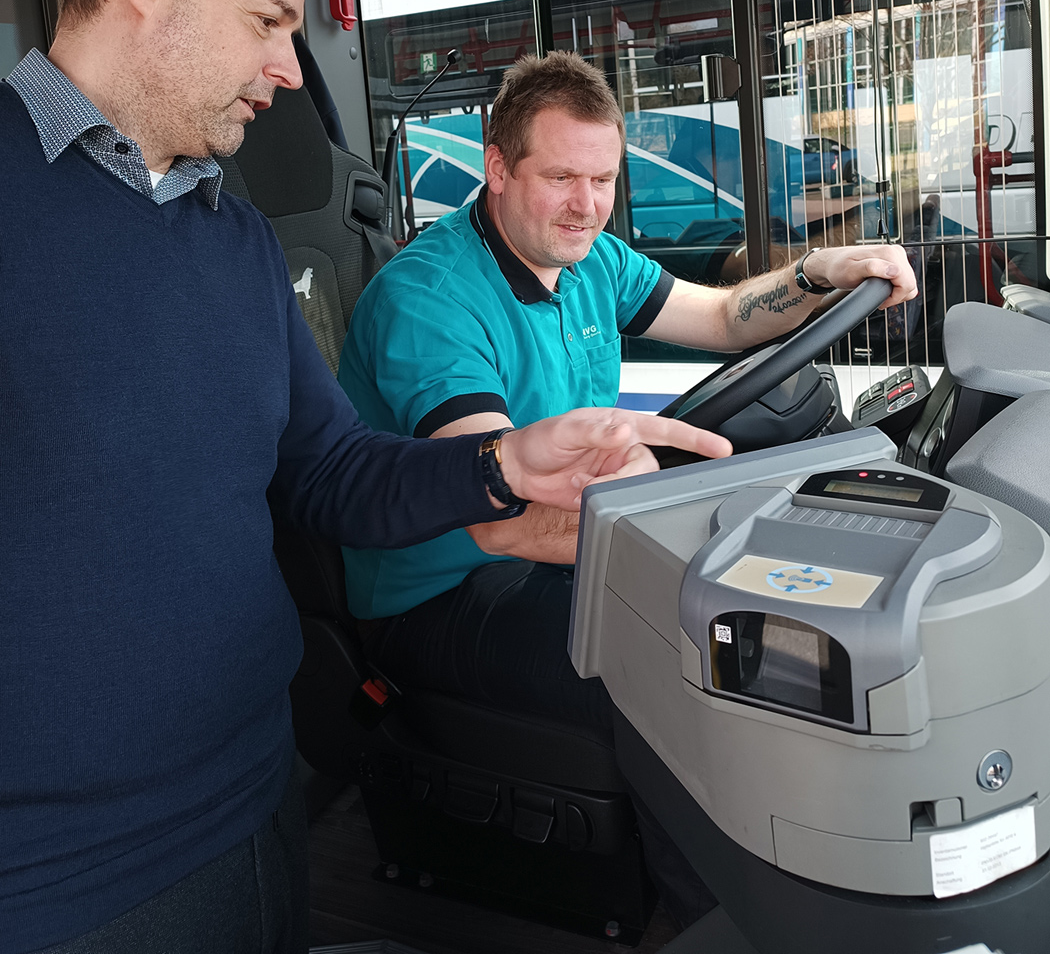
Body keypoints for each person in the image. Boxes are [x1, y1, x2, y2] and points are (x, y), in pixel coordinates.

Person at [0, 0, 718, 954]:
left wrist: (503, 465)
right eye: (268, 22)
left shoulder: (230, 234)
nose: (291, 70)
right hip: (61, 879)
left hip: (256, 793)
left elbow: (332, 472)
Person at [338, 51, 917, 924]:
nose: (587, 203)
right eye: (561, 178)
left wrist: (815, 274)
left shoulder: (591, 262)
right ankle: (710, 925)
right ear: (497, 168)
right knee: (680, 661)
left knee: (742, 628)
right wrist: (703, 537)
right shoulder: (429, 301)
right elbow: (503, 520)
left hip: (561, 544)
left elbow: (720, 317)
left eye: (604, 179)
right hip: (442, 592)